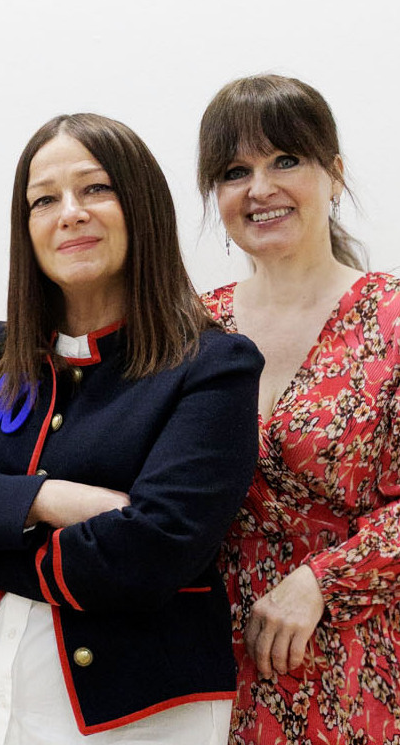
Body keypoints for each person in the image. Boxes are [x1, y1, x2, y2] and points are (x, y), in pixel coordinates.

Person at [0, 113, 263, 743]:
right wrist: (48, 500)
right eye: (44, 200)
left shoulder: (214, 366)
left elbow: (150, 556)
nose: (69, 213)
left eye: (95, 188)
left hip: (140, 720)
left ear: (142, 206)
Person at [198, 74, 400, 743]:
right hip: (203, 668)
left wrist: (321, 582)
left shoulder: (393, 318)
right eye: (235, 172)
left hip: (354, 663)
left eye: (285, 160)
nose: (260, 188)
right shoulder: (192, 329)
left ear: (334, 175)